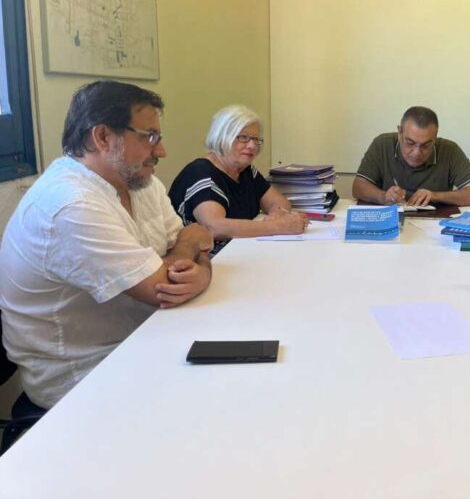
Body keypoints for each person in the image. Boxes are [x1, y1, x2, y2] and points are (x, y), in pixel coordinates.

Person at [0, 81, 213, 409]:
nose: (161, 151)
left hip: (146, 337)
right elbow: (166, 287)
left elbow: (194, 245)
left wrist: (196, 261)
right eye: (150, 137)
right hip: (84, 376)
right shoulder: (71, 204)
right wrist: (191, 252)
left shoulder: (142, 183)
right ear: (102, 137)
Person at [169, 105, 308, 253]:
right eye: (243, 137)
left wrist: (276, 215)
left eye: (256, 139)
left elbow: (278, 201)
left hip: (242, 252)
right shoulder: (201, 174)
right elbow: (215, 227)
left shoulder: (245, 170)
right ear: (222, 137)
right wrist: (279, 226)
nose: (252, 145)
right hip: (206, 259)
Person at [352, 106, 470, 206]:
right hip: (390, 220)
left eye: (426, 145)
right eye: (410, 143)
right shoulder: (382, 144)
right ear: (400, 132)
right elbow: (358, 187)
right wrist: (383, 196)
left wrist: (436, 196)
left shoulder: (450, 150)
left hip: (435, 224)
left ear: (435, 138)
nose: (417, 152)